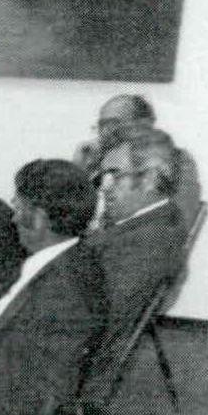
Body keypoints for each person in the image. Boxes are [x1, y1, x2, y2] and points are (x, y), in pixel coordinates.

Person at [0, 160, 108, 415]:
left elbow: (20, 408)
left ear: (39, 219)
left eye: (19, 207)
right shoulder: (65, 258)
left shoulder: (64, 295)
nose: (14, 218)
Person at [84, 126, 187, 386]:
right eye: (103, 176)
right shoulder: (156, 222)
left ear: (150, 179)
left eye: (115, 175)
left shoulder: (147, 241)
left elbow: (95, 323)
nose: (104, 188)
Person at [74, 93, 201, 230]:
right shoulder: (99, 160)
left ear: (144, 123)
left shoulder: (176, 160)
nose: (105, 132)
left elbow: (181, 222)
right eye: (102, 125)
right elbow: (70, 218)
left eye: (114, 124)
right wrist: (77, 172)